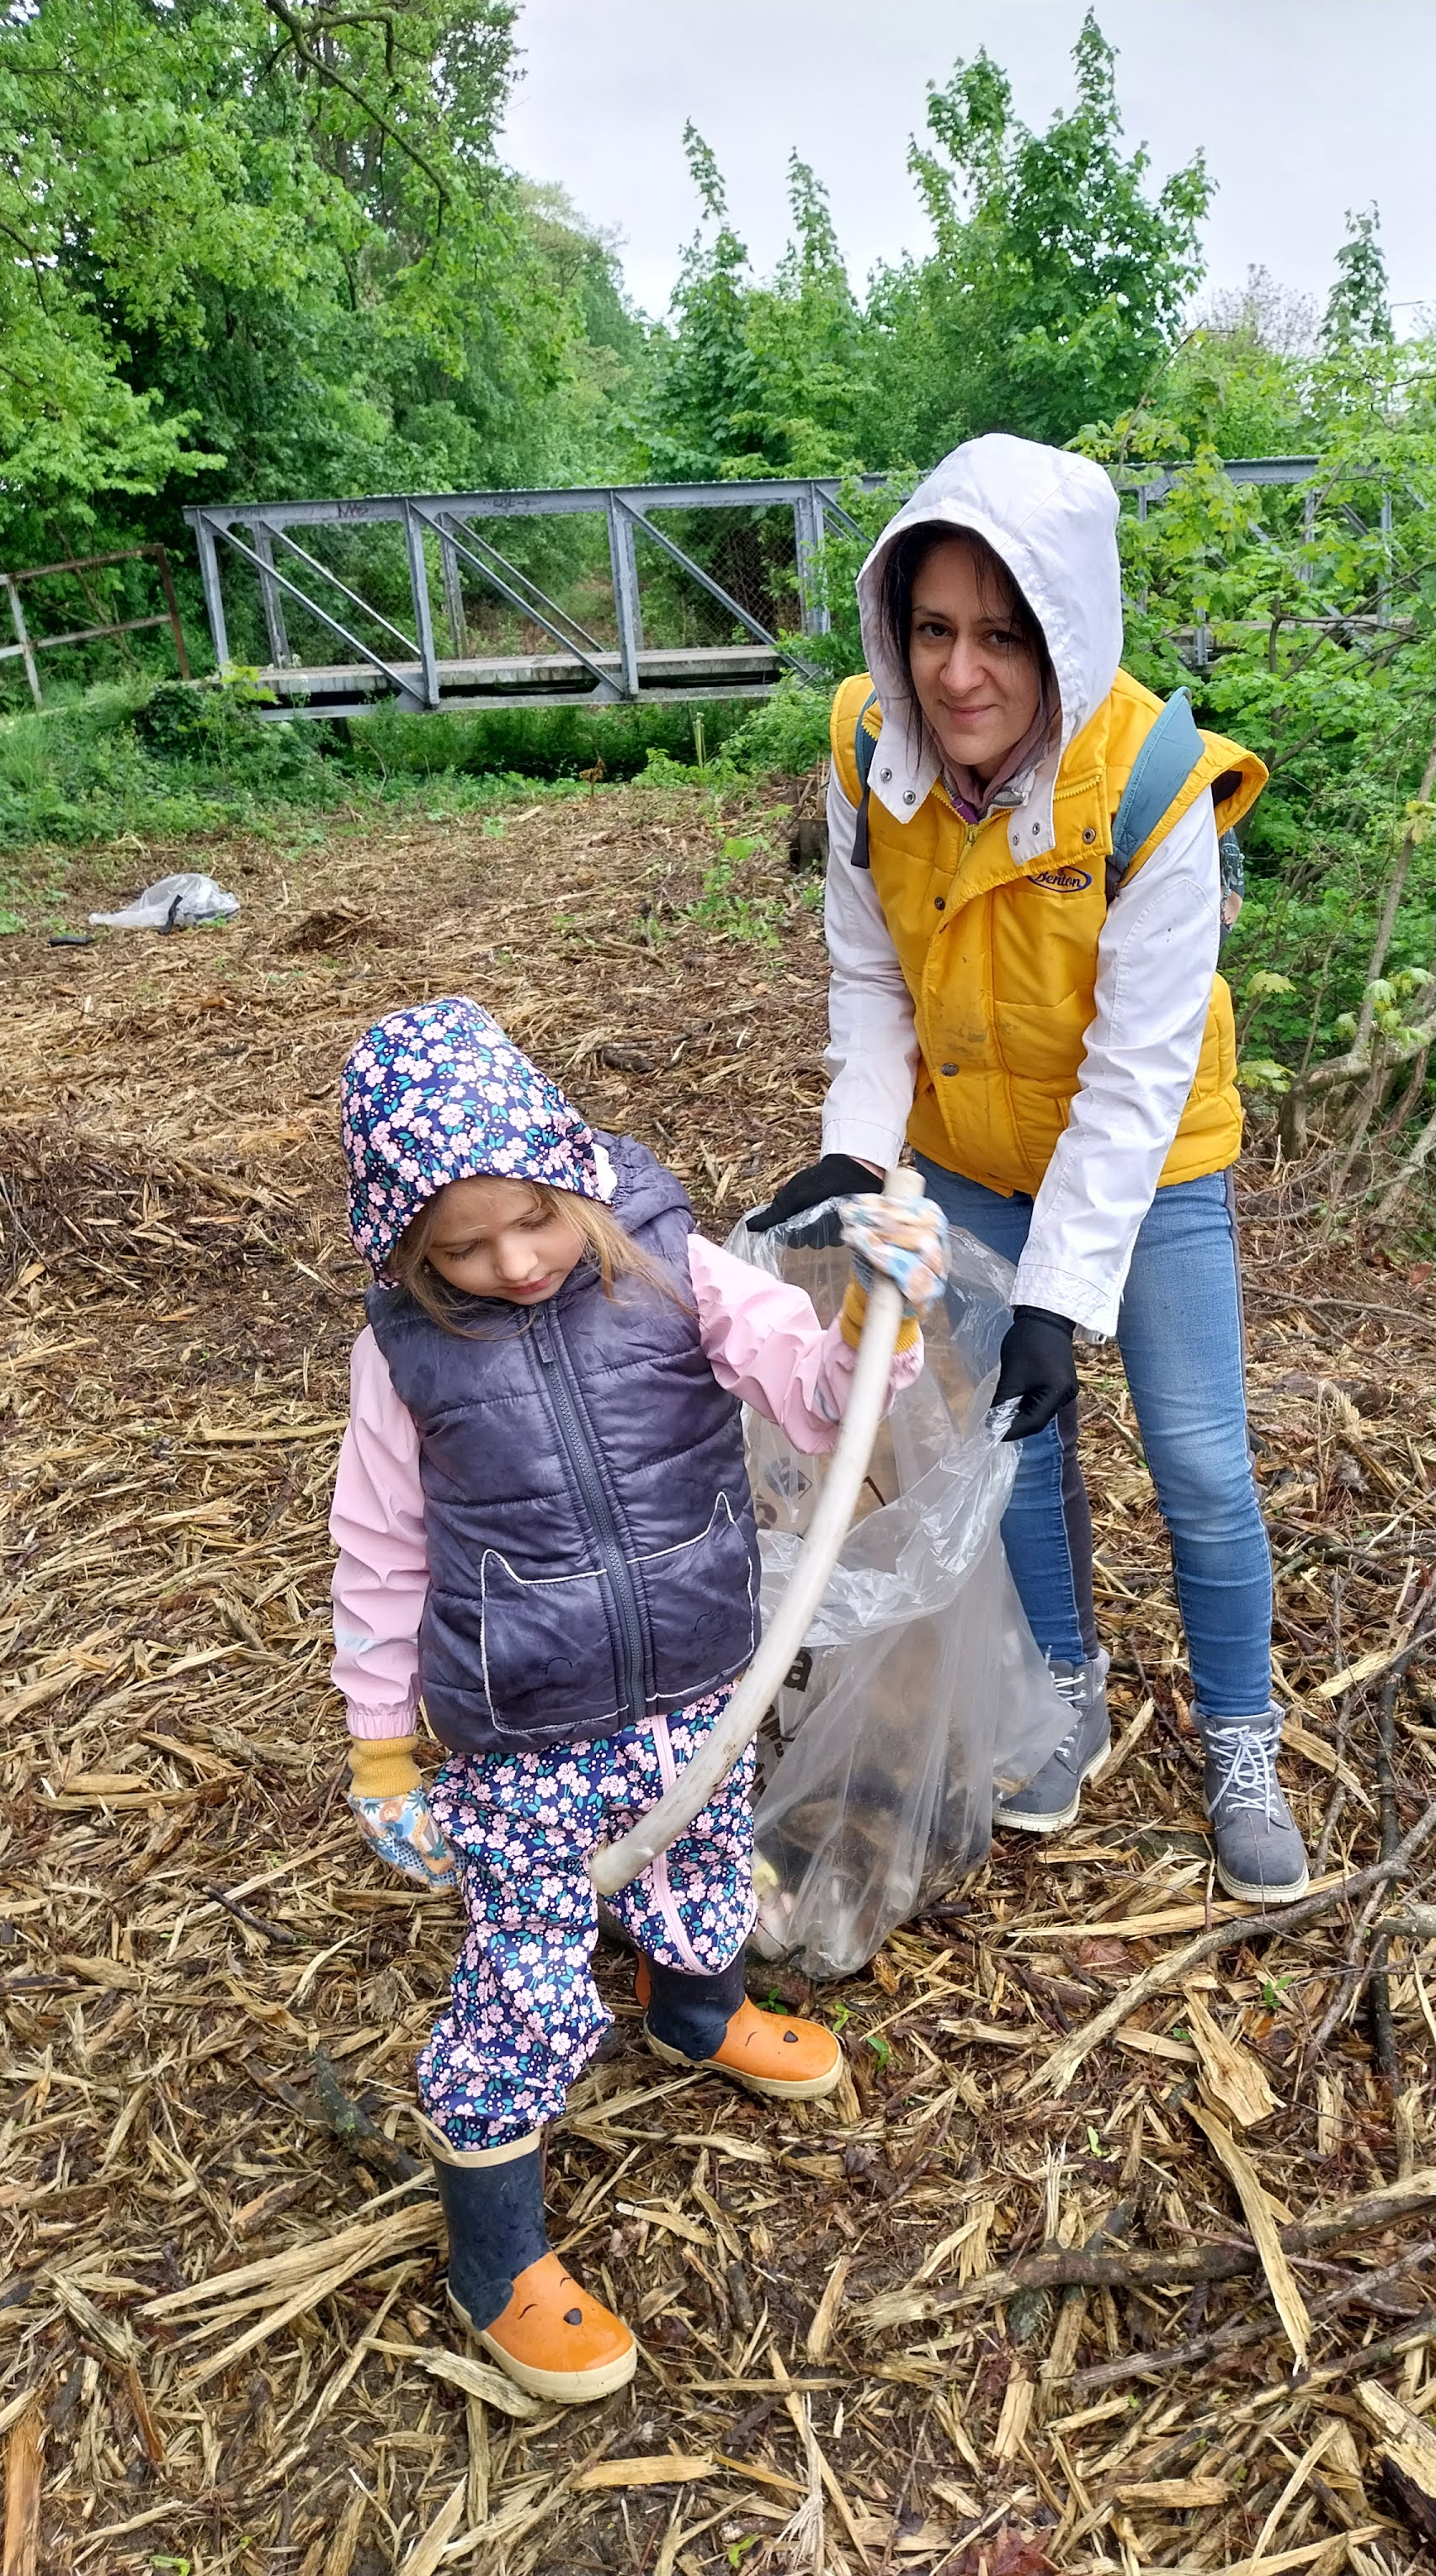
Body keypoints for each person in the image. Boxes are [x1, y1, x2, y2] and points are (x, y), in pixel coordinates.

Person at [328, 996, 948, 2403]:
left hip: (696, 1673)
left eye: (533, 1221)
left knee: (702, 1848)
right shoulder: (405, 1354)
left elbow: (816, 1397)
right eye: (461, 1251)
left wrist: (875, 1316)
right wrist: (381, 1752)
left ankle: (696, 2007)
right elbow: (379, 1553)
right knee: (527, 1971)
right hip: (523, 1720)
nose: (514, 1263)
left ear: (574, 1174)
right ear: (404, 1247)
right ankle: (496, 2255)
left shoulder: (674, 1265)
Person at [751, 432, 1308, 1905]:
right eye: (932, 628)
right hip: (967, 1157)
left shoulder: (1155, 788)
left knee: (1200, 1462)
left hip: (1150, 1166)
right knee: (1016, 1446)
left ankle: (1242, 1737)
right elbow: (870, 973)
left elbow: (1135, 1079)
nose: (959, 674)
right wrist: (853, 1147)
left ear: (1064, 632)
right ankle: (1066, 1692)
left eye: (1003, 635)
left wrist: (1060, 1297)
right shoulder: (872, 754)